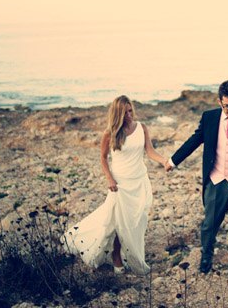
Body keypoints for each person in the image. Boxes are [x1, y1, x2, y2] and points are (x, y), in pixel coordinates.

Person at [166, 80, 228, 296]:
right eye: (227, 106)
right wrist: (173, 160)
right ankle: (207, 255)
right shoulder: (209, 117)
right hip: (216, 181)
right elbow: (194, 141)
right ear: (219, 101)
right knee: (209, 226)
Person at [63, 95, 168, 275]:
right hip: (120, 183)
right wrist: (109, 179)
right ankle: (116, 255)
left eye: (130, 110)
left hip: (139, 180)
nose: (129, 115)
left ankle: (132, 251)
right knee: (120, 221)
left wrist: (164, 161)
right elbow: (103, 158)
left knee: (137, 219)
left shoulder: (141, 127)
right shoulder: (110, 133)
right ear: (117, 114)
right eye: (125, 112)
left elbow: (150, 151)